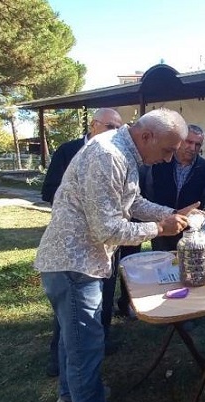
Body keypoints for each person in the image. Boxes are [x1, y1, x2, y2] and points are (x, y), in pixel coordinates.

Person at [34, 108, 198, 402]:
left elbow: (132, 201)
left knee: (73, 341)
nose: (168, 159)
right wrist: (158, 227)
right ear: (147, 136)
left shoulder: (123, 150)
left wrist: (170, 214)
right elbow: (108, 228)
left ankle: (68, 401)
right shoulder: (108, 155)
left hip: (76, 261)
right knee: (86, 346)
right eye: (167, 150)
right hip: (74, 264)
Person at [40, 108, 123, 376]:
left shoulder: (116, 155)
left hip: (107, 242)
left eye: (118, 128)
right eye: (110, 126)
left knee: (103, 297)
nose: (114, 132)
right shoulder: (69, 150)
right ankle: (63, 364)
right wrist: (80, 206)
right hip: (74, 248)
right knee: (72, 314)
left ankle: (99, 343)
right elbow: (50, 189)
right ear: (93, 124)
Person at [148, 124, 205, 251]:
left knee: (187, 264)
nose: (192, 148)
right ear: (180, 140)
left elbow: (204, 197)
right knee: (162, 262)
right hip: (162, 224)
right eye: (189, 142)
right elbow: (150, 191)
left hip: (187, 228)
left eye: (197, 144)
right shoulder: (161, 161)